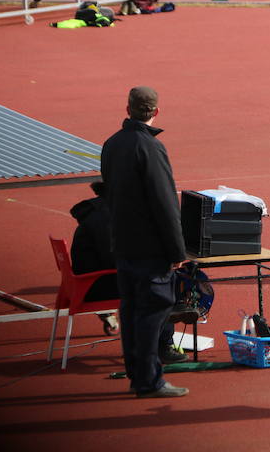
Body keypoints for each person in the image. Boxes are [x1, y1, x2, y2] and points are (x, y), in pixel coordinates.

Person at [101, 86, 189, 398]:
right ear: (156, 112)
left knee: (131, 309)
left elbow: (107, 193)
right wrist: (177, 250)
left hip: (123, 244)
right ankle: (149, 380)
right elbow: (165, 203)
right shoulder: (151, 148)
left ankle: (137, 374)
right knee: (154, 310)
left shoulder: (112, 144)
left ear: (127, 109)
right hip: (150, 248)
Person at [69, 181, 189, 364]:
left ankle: (164, 331)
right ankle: (164, 344)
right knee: (162, 281)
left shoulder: (102, 212)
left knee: (161, 277)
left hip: (94, 280)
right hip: (98, 285)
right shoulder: (106, 218)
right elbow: (115, 257)